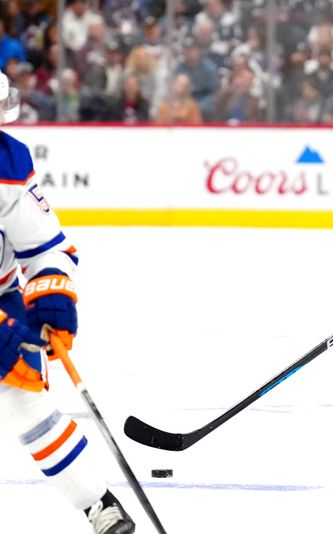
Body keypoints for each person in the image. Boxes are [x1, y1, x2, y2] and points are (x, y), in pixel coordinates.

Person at [0, 71, 135, 533]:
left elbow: (44, 246)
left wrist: (52, 296)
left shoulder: (8, 159)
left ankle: (99, 506)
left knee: (23, 402)